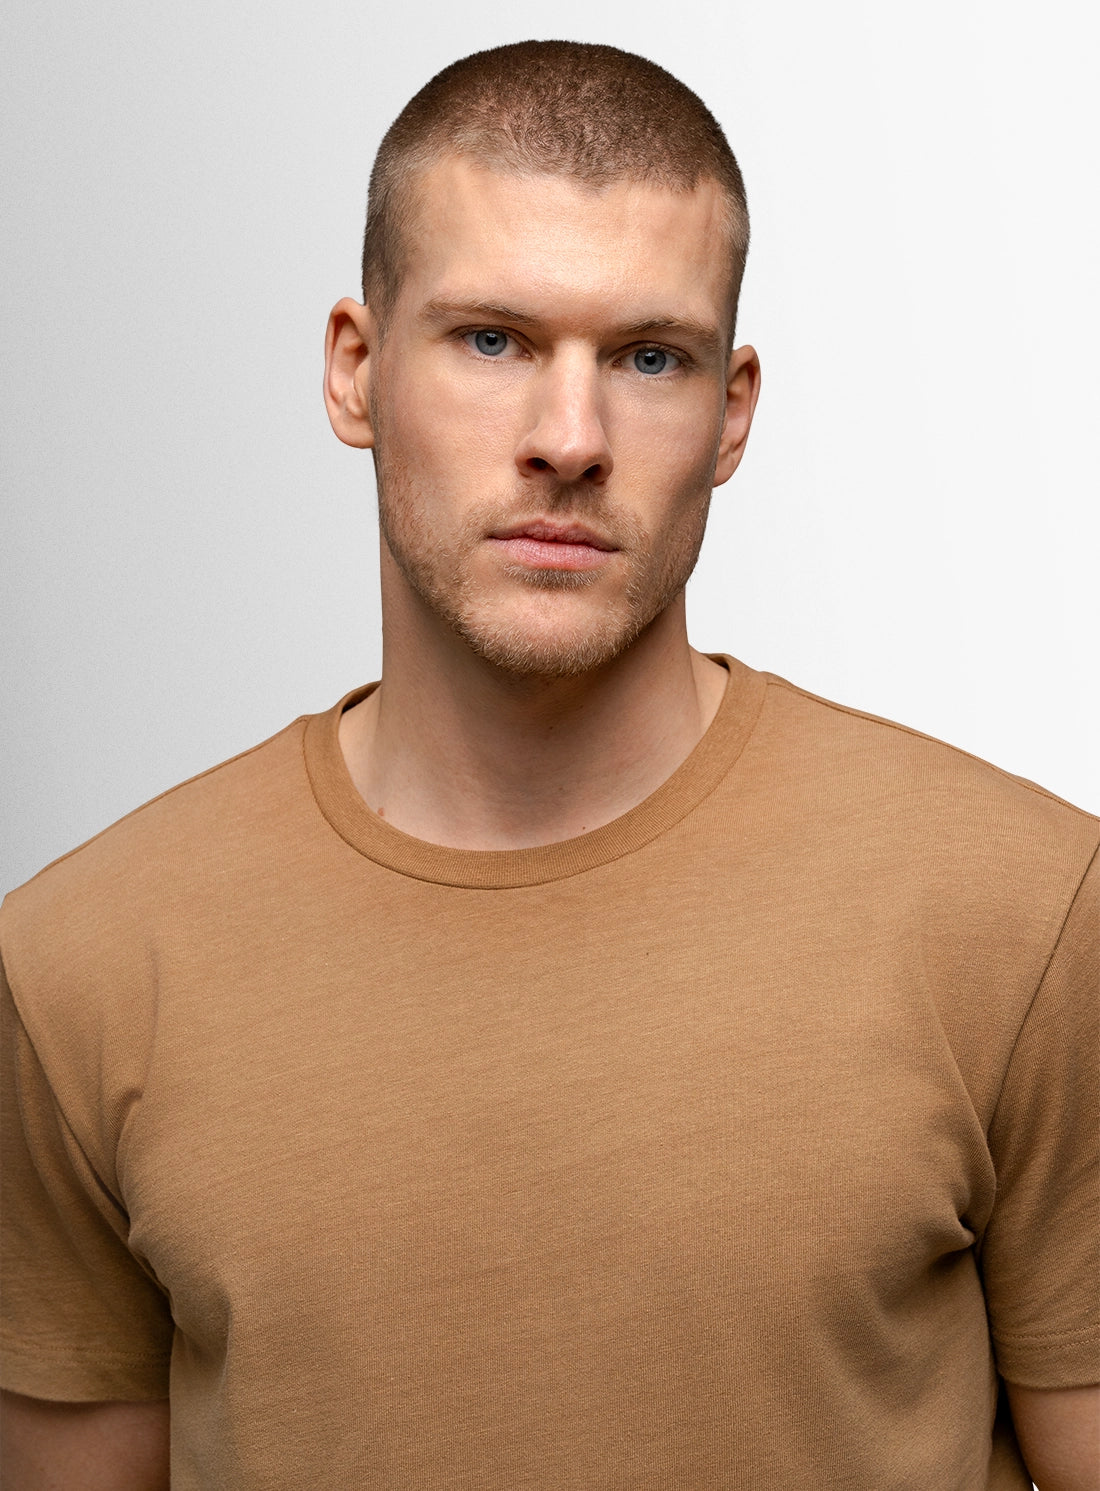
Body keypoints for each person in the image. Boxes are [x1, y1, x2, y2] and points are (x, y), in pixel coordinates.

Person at [1, 38, 1096, 1491]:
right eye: (493, 340)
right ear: (355, 368)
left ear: (733, 413)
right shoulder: (78, 963)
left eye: (650, 357)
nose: (569, 440)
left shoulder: (1027, 915)